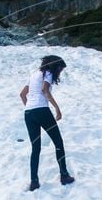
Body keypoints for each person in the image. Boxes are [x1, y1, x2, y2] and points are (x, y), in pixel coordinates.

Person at [19, 55, 75, 191]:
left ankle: (34, 182)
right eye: (60, 69)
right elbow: (45, 90)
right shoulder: (48, 73)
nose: (60, 72)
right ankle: (64, 175)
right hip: (42, 111)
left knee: (35, 148)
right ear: (55, 66)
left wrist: (31, 108)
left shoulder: (33, 75)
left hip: (28, 113)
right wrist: (57, 108)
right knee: (58, 143)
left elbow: (22, 94)